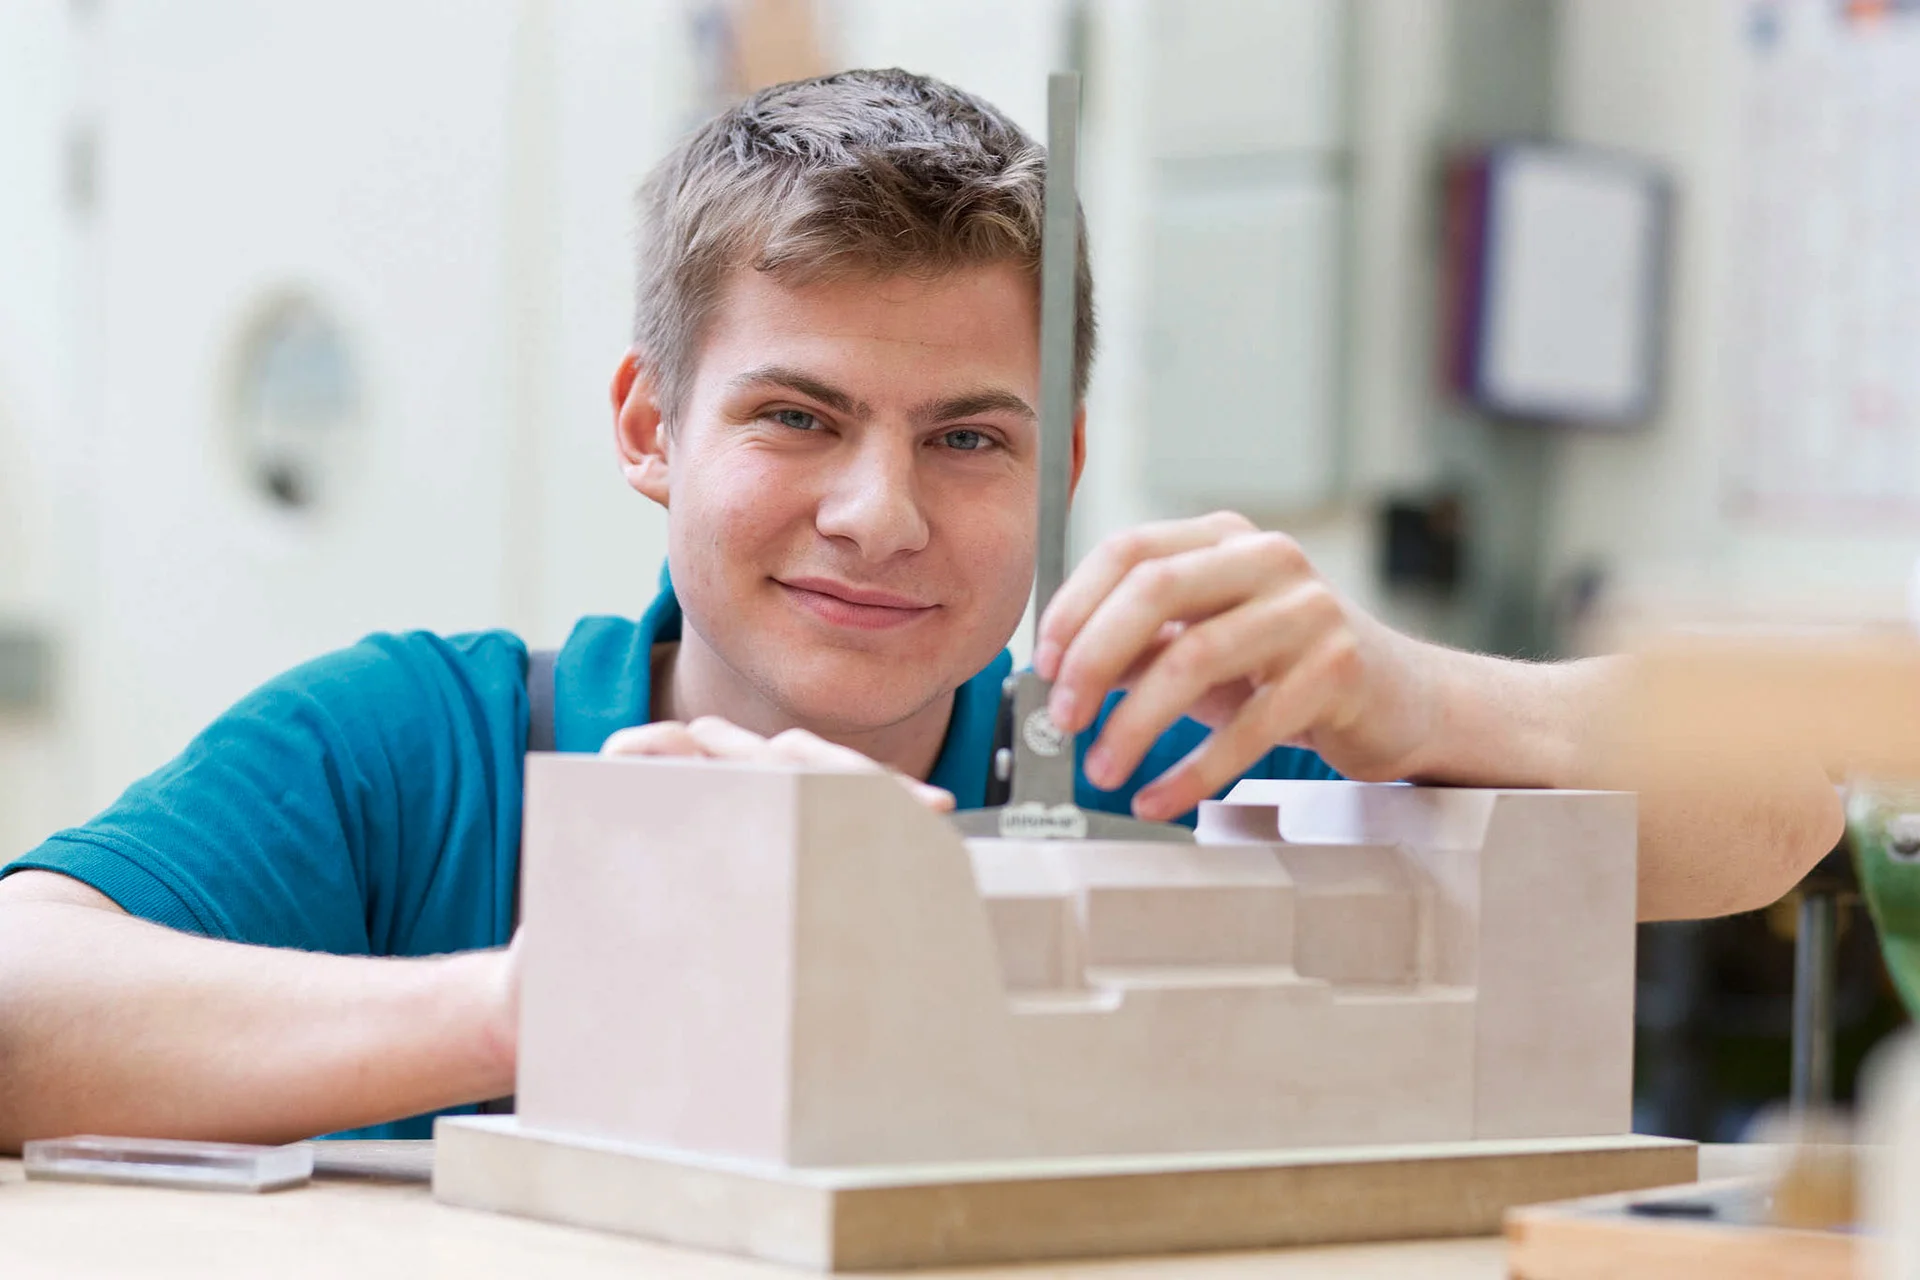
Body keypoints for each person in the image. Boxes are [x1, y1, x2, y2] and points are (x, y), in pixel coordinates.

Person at [0, 69, 1841, 1150]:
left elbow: (1783, 817)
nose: (880, 514)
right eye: (797, 416)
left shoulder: (1135, 754)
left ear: (1060, 466)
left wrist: (1400, 697)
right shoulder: (428, 748)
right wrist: (541, 1006)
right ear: (652, 426)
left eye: (970, 437)